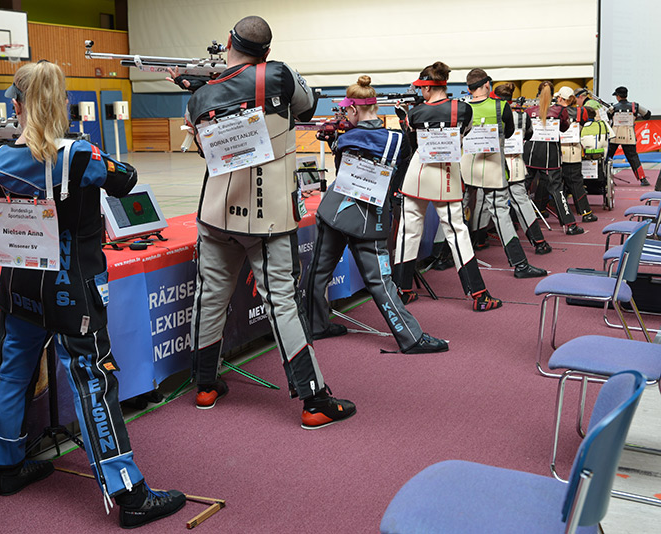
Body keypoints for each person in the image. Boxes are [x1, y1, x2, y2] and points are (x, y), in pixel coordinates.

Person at [0, 61, 185, 529]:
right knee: (94, 381)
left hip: (21, 283)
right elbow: (125, 178)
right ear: (62, 104)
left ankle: (4, 464)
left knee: (15, 372)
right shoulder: (80, 155)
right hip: (72, 291)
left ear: (19, 106)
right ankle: (129, 492)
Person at [184, 16, 356, 430]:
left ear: (228, 41)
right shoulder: (278, 75)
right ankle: (314, 398)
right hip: (268, 216)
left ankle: (205, 385)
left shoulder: (200, 96)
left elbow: (198, 142)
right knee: (282, 302)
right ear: (267, 51)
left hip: (216, 213)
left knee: (210, 297)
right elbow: (307, 104)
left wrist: (204, 87)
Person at [305, 75, 448, 354]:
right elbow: (399, 172)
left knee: (318, 272)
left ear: (355, 110)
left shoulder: (345, 139)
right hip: (369, 219)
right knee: (381, 282)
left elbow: (341, 170)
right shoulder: (397, 139)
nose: (345, 114)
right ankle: (411, 338)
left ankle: (315, 325)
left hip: (334, 211)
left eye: (347, 110)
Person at [392, 61, 502, 312]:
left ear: (428, 88)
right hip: (446, 173)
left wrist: (404, 119)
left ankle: (402, 290)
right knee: (457, 233)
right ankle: (479, 295)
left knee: (408, 232)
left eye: (422, 88)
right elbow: (465, 132)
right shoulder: (462, 109)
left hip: (418, 174)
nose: (421, 92)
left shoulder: (414, 113)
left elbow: (412, 142)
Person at [462, 69, 546, 278]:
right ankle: (520, 265)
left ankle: (441, 257)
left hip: (466, 167)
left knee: (455, 213)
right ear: (487, 85)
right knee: (500, 213)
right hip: (493, 166)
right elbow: (509, 133)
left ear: (469, 88)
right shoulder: (501, 107)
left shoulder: (462, 108)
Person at [491, 83, 553, 255]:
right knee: (521, 200)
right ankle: (539, 242)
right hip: (515, 162)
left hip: (492, 164)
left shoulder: (489, 112)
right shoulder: (522, 116)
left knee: (484, 202)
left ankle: (478, 241)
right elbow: (529, 134)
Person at [523, 81, 584, 235]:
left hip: (529, 153)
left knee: (521, 188)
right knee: (557, 190)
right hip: (550, 156)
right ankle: (570, 225)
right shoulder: (560, 111)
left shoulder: (529, 111)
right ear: (553, 95)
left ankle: (513, 222)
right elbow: (565, 128)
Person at [556, 86, 598, 222]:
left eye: (558, 97)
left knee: (552, 183)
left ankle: (541, 210)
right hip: (574, 151)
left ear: (561, 98)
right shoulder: (581, 112)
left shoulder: (554, 111)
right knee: (576, 182)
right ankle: (586, 213)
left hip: (556, 152)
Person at [606, 86, 653, 187]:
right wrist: (635, 117)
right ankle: (643, 179)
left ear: (618, 96)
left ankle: (604, 178)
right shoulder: (634, 106)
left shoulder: (613, 107)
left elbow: (607, 117)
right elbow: (648, 115)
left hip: (615, 135)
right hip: (629, 135)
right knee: (634, 158)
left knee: (608, 158)